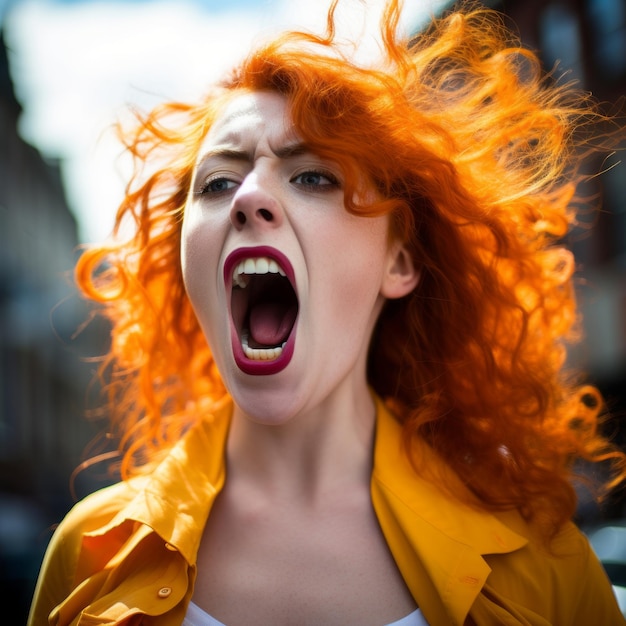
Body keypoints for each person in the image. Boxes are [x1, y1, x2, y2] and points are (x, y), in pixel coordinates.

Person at [28, 0, 626, 624]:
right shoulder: (91, 554)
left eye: (313, 178)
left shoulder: (544, 566)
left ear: (399, 262)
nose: (251, 196)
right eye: (217, 182)